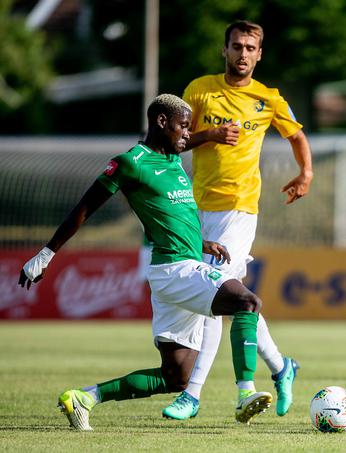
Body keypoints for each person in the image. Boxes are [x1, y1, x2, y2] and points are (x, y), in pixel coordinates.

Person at [18, 94, 272, 430]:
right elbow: (84, 208)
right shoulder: (132, 162)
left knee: (176, 377)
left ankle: (84, 398)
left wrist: (203, 242)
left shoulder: (173, 163)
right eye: (183, 127)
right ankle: (245, 393)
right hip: (176, 271)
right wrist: (46, 253)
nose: (188, 135)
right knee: (247, 302)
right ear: (161, 122)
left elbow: (172, 217)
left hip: (178, 270)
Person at [161, 20, 313, 420]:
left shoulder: (269, 99)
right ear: (224, 50)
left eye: (250, 47)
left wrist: (306, 173)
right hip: (195, 209)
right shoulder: (199, 89)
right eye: (236, 46)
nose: (243, 53)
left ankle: (193, 395)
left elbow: (296, 135)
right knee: (235, 300)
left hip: (239, 209)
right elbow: (175, 142)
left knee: (215, 297)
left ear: (259, 54)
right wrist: (209, 134)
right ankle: (282, 367)